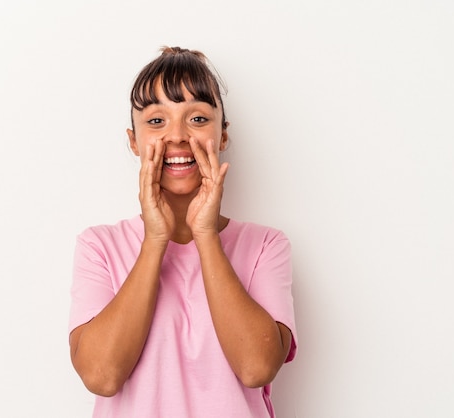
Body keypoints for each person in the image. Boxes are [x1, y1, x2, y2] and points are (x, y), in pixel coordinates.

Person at [68, 46, 297, 418]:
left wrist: (205, 234)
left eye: (198, 119)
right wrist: (155, 240)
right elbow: (102, 376)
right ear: (133, 141)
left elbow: (256, 368)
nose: (177, 136)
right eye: (156, 121)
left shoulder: (266, 246)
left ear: (222, 136)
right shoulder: (99, 247)